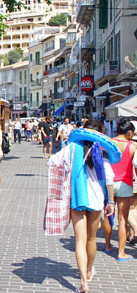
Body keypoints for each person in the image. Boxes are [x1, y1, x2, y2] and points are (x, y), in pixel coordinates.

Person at [49, 119, 116, 293]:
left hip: (77, 198)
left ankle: (83, 283)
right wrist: (111, 202)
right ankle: (89, 269)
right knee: (91, 239)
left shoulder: (72, 149)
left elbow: (52, 161)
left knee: (80, 240)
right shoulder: (102, 152)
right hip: (96, 200)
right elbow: (109, 180)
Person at [102, 117, 137, 261]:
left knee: (107, 214)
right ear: (129, 133)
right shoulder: (133, 146)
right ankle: (121, 253)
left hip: (108, 183)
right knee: (122, 219)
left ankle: (108, 245)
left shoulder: (107, 143)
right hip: (125, 184)